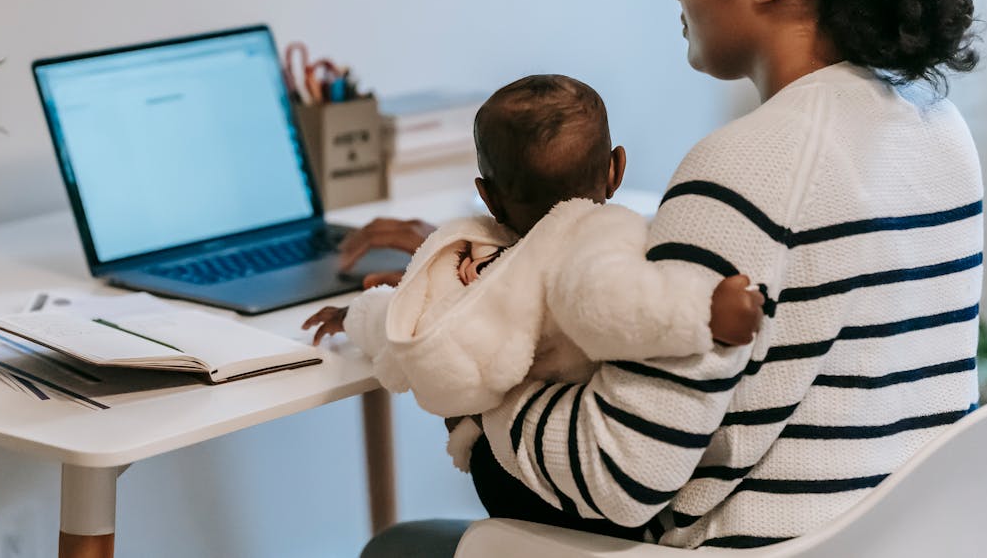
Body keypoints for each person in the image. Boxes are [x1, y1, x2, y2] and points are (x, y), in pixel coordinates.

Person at [353, 0, 983, 555]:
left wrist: (470, 356)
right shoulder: (939, 130)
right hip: (896, 541)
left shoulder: (745, 163)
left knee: (402, 545)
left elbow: (621, 474)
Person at [303, 75, 763, 472]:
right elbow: (620, 305)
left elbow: (403, 327)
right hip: (560, 466)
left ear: (488, 197)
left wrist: (352, 316)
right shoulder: (595, 243)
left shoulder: (477, 270)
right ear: (616, 170)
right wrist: (706, 311)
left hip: (513, 468)